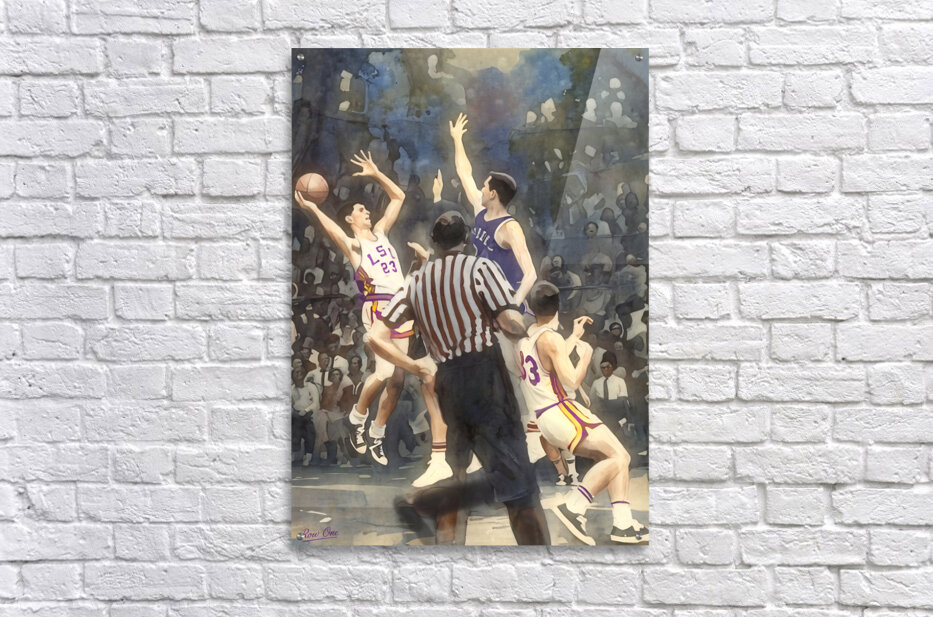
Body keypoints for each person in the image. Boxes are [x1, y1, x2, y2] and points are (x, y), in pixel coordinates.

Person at [369, 211, 550, 545]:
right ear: (466, 239)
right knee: (518, 479)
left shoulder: (415, 282)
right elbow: (509, 324)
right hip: (485, 376)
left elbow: (375, 337)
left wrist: (415, 367)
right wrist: (531, 328)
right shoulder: (480, 268)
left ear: (434, 242)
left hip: (448, 382)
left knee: (457, 475)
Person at [294, 151, 449, 485]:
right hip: (378, 308)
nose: (366, 211)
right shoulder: (353, 245)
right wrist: (314, 209)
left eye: (365, 209)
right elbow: (331, 229)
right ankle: (357, 416)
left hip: (401, 306)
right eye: (359, 209)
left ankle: (376, 432)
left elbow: (398, 196)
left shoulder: (381, 232)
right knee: (385, 371)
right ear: (351, 220)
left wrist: (377, 173)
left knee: (397, 381)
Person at [517, 281, 648, 545]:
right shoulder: (551, 338)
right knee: (621, 456)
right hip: (562, 409)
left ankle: (622, 524)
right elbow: (572, 380)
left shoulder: (525, 340)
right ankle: (573, 506)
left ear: (531, 308)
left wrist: (574, 337)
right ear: (558, 306)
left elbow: (550, 359)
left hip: (545, 417)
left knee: (611, 458)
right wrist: (586, 354)